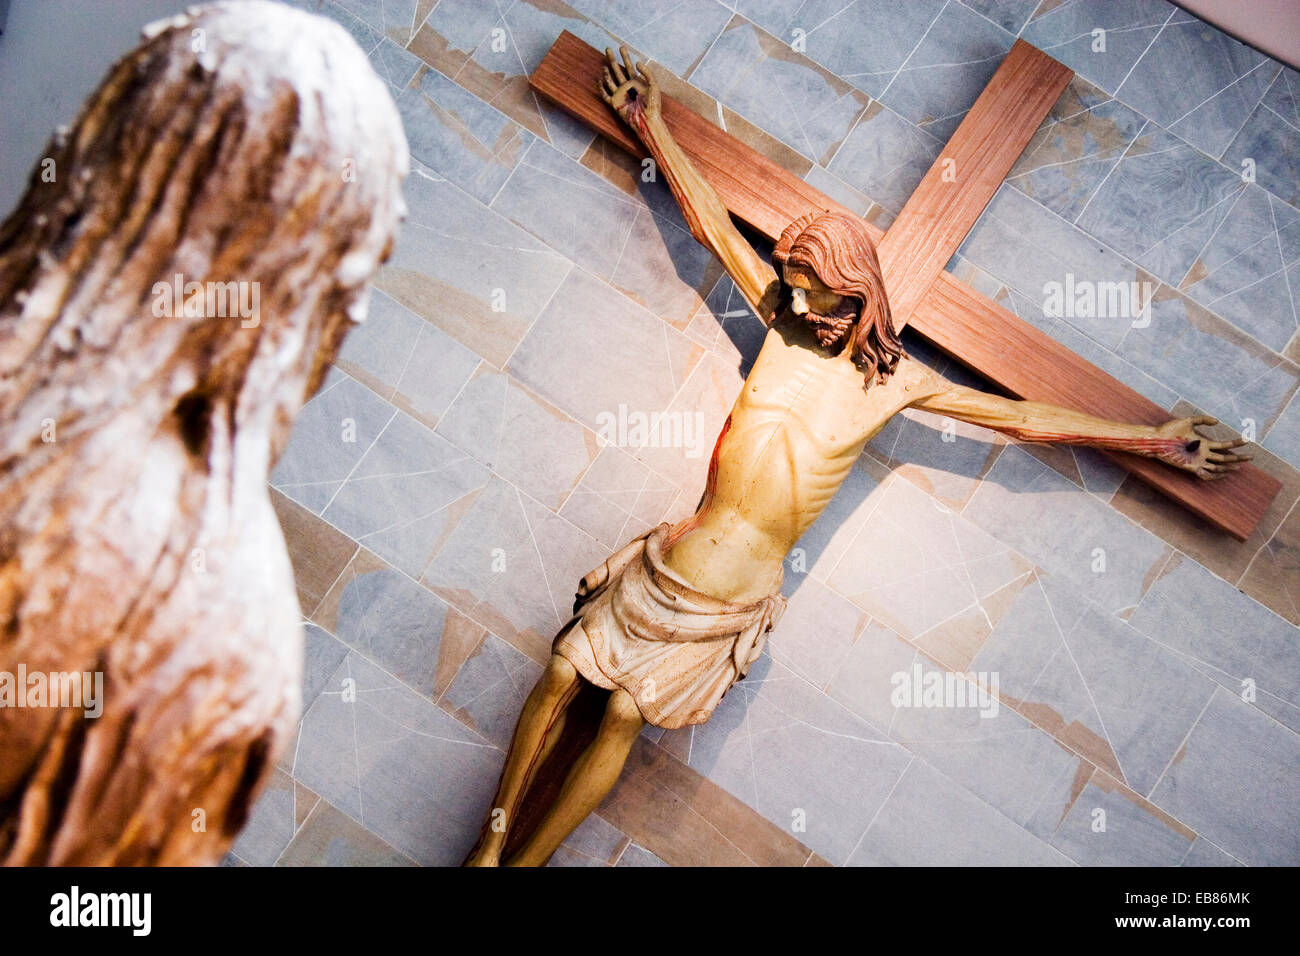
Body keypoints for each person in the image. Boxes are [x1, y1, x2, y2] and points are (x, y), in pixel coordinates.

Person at [464, 47, 1250, 867]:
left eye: (815, 288)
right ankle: (488, 851)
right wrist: (649, 122)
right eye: (793, 283)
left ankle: (525, 866)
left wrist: (1158, 441)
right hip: (673, 561)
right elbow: (710, 222)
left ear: (858, 287)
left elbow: (1021, 419)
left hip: (732, 596)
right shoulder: (781, 319)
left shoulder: (895, 385)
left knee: (624, 716)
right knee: (561, 669)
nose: (798, 299)